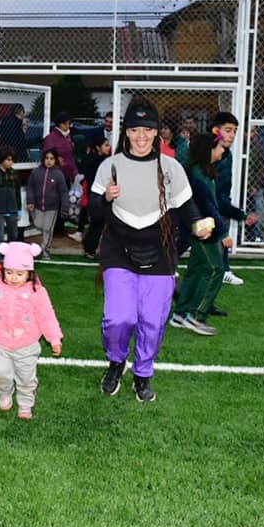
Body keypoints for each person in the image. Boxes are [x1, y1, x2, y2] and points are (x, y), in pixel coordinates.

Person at [91, 99, 212, 402]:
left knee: (152, 321)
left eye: (147, 129)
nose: (141, 136)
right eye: (135, 129)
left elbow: (186, 206)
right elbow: (93, 209)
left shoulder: (171, 167)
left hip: (160, 252)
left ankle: (143, 375)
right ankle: (116, 362)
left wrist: (198, 224)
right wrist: (105, 197)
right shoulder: (111, 165)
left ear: (157, 132)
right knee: (119, 319)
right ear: (126, 132)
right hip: (118, 250)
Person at [0, 241, 62, 420]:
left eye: (20, 274)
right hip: (0, 343)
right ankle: (5, 391)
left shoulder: (37, 292)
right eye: (9, 272)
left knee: (26, 378)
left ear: (29, 273)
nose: (13, 277)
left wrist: (54, 338)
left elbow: (46, 316)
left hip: (27, 344)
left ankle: (26, 401)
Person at [169, 133, 229, 336]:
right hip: (203, 230)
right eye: (220, 146)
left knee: (196, 269)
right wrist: (223, 233)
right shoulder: (197, 175)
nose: (223, 150)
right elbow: (208, 208)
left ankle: (180, 313)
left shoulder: (203, 172)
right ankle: (194, 316)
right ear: (209, 150)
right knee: (215, 269)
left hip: (200, 228)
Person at [211, 112, 257, 286]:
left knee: (211, 242)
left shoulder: (226, 153)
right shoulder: (213, 153)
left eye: (234, 131)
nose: (232, 135)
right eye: (228, 130)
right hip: (206, 207)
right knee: (194, 238)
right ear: (216, 131)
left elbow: (221, 192)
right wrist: (241, 216)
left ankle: (224, 270)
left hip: (215, 206)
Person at [25, 148, 67, 259]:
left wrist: (64, 206)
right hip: (37, 206)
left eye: (52, 159)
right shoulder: (36, 172)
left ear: (55, 160)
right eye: (47, 158)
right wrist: (30, 201)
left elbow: (63, 191)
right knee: (38, 224)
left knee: (48, 228)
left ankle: (44, 249)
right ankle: (42, 247)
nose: (49, 161)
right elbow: (30, 187)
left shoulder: (58, 174)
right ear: (43, 159)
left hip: (52, 208)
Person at [79, 136, 111, 259]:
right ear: (98, 147)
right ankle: (90, 248)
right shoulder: (99, 162)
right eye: (106, 145)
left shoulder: (96, 161)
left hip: (99, 194)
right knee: (97, 224)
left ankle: (90, 248)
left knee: (97, 224)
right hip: (98, 195)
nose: (108, 148)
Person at [42, 110, 78, 186]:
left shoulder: (67, 137)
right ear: (61, 124)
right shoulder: (50, 138)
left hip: (67, 175)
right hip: (54, 176)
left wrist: (74, 172)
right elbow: (47, 156)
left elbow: (70, 157)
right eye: (67, 124)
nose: (68, 126)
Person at [245, 127, 264, 242]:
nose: (255, 133)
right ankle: (240, 234)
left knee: (256, 209)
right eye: (252, 130)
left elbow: (260, 167)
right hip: (243, 184)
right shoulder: (239, 145)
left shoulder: (257, 146)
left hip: (253, 185)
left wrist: (255, 185)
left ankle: (255, 235)